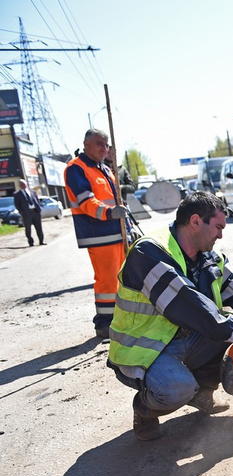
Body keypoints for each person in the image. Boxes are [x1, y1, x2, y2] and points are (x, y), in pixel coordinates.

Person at [107, 191, 233, 441]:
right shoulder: (149, 252)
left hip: (187, 338)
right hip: (145, 351)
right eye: (217, 227)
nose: (220, 235)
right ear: (196, 221)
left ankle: (202, 392)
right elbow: (190, 307)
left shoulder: (208, 256)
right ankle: (145, 409)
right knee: (177, 388)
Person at [64, 129, 129, 340]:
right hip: (99, 235)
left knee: (121, 279)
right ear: (86, 144)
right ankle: (104, 324)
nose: (104, 148)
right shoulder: (76, 169)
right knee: (107, 282)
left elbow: (114, 199)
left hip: (117, 233)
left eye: (107, 145)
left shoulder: (105, 170)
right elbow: (85, 201)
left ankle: (120, 321)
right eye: (99, 143)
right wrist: (110, 213)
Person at [13, 178, 44, 246]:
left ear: (26, 184)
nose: (23, 185)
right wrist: (22, 212)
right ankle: (31, 242)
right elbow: (17, 205)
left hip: (35, 212)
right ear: (19, 185)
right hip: (26, 214)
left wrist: (39, 208)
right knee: (28, 229)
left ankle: (41, 241)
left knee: (39, 227)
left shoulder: (32, 191)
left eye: (24, 184)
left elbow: (37, 200)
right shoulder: (17, 194)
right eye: (21, 184)